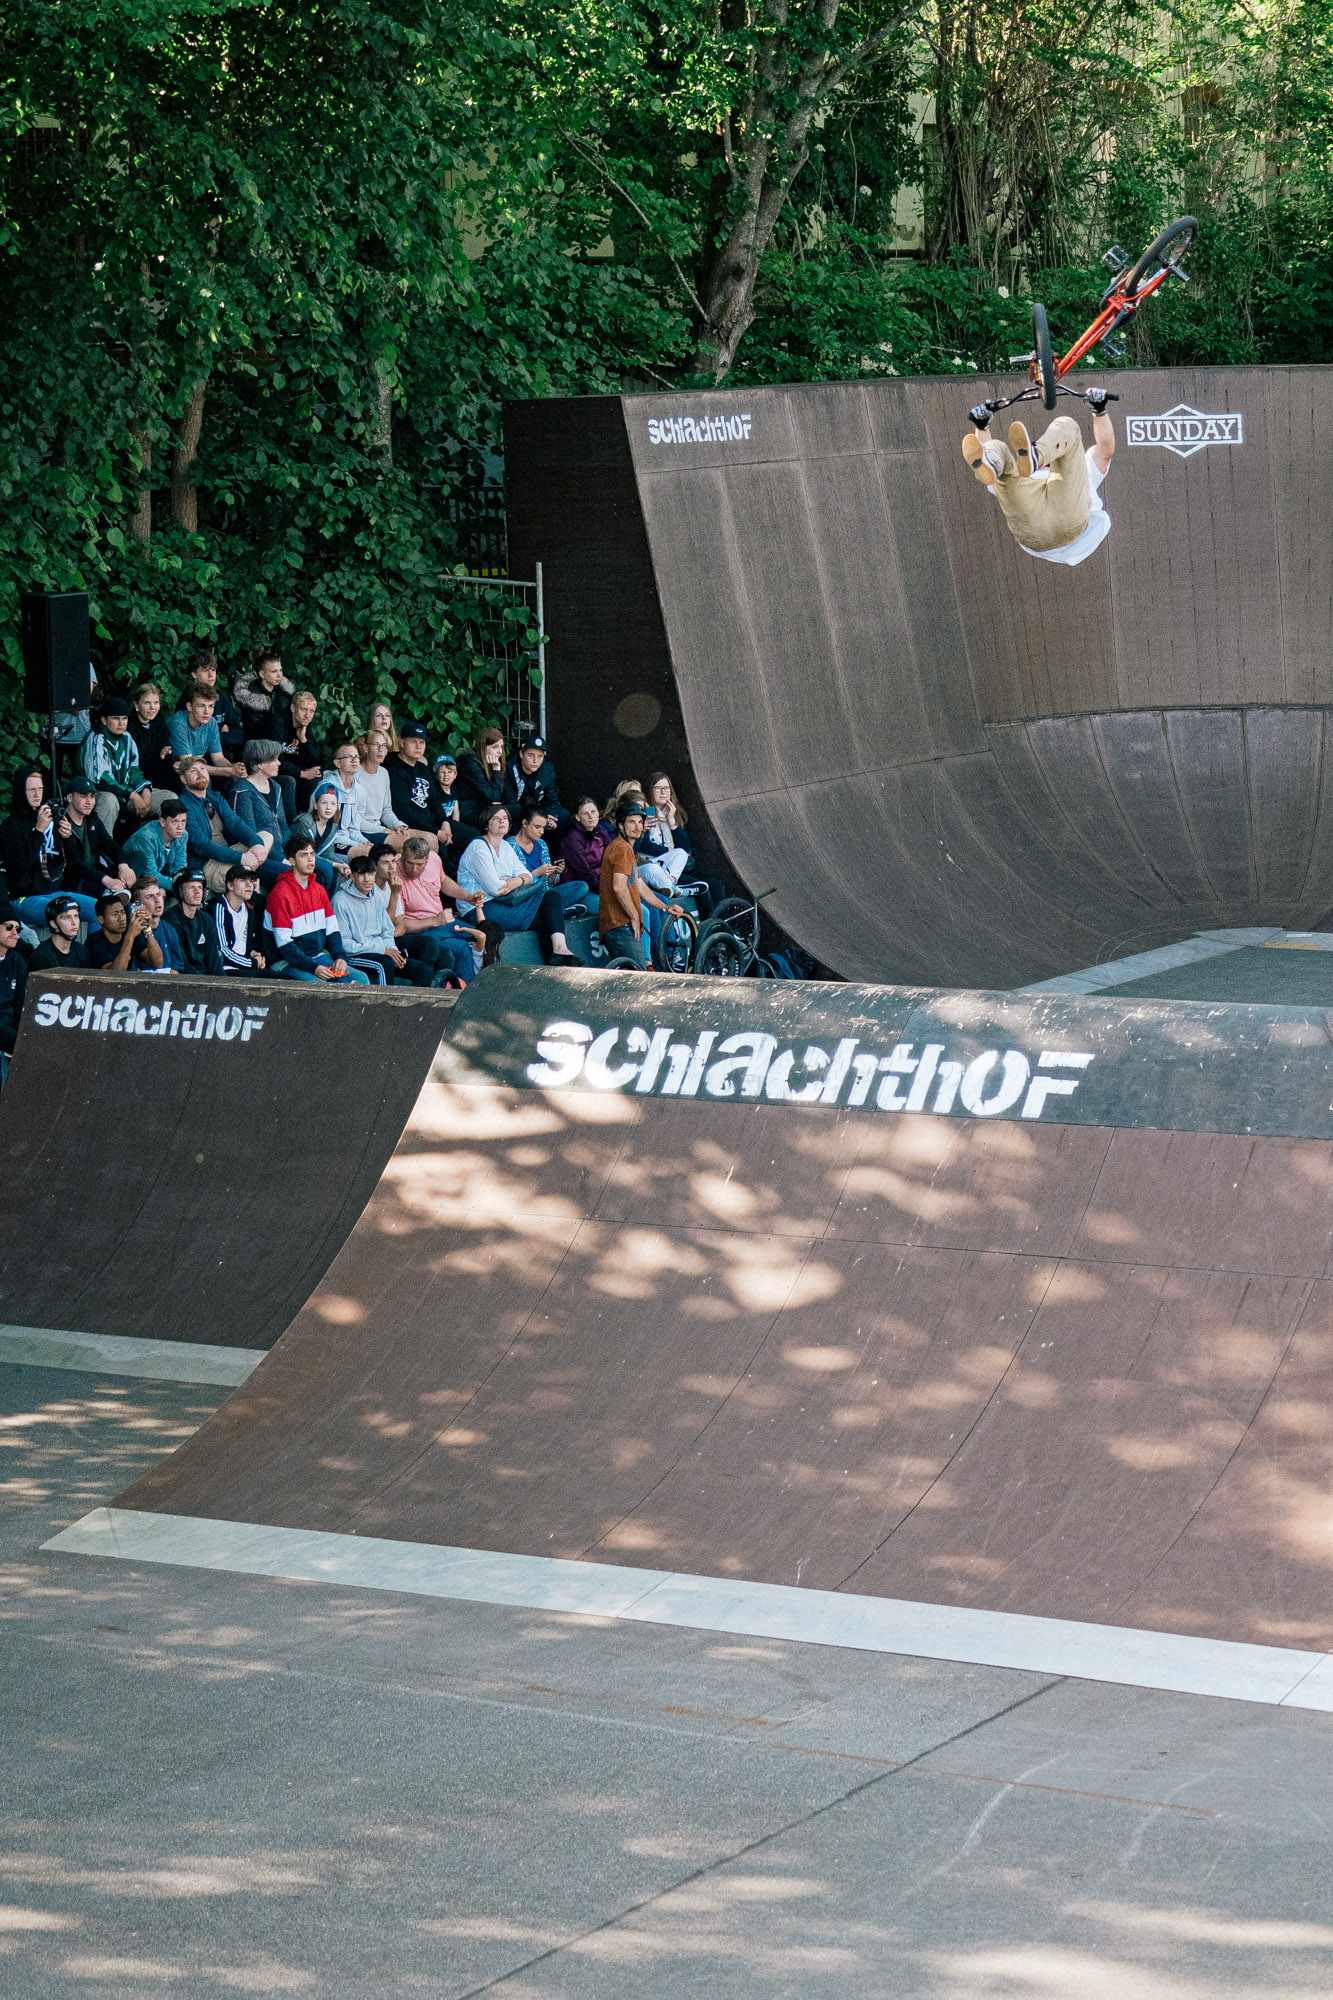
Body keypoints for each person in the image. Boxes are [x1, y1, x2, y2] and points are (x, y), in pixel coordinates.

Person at [963, 392, 1116, 566]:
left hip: (1037, 532)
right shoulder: (1021, 474)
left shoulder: (1080, 475)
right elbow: (1106, 451)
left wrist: (1100, 411)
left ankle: (1035, 455)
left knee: (1065, 426)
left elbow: (1105, 450)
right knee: (997, 452)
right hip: (1045, 525)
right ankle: (991, 462)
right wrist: (982, 426)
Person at [456, 802, 581, 966]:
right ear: (486, 823)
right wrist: (517, 881)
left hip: (507, 900)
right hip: (479, 908)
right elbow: (496, 888)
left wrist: (516, 880)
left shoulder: (505, 846)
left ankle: (559, 953)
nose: (502, 821)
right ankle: (558, 953)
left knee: (551, 899)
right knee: (548, 910)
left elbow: (528, 876)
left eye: (505, 818)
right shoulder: (478, 847)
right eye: (496, 818)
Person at [264, 832, 369, 984]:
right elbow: (285, 946)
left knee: (360, 979)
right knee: (319, 987)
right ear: (292, 861)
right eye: (303, 855)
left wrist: (339, 956)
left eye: (312, 854)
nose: (310, 859)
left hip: (317, 957)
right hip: (285, 962)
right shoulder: (280, 893)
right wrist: (313, 968)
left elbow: (332, 930)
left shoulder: (319, 890)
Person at [1, 768, 97, 926]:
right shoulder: (10, 827)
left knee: (99, 909)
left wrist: (67, 838)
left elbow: (72, 861)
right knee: (64, 915)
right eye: (31, 790)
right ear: (21, 791)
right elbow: (19, 866)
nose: (37, 795)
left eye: (40, 789)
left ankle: (88, 951)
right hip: (24, 898)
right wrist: (38, 831)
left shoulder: (51, 816)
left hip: (54, 892)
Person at [599, 798, 683, 969]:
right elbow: (619, 886)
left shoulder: (626, 848)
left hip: (620, 925)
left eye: (640, 822)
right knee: (639, 978)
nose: (637, 826)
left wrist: (664, 908)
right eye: (631, 822)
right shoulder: (621, 848)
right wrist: (635, 916)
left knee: (633, 977)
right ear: (621, 826)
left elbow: (639, 884)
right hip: (620, 925)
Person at [334, 851, 436, 986]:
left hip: (380, 950)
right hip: (354, 955)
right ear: (352, 876)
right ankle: (384, 1006)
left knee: (424, 971)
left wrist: (393, 951)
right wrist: (383, 951)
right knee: (385, 963)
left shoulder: (376, 896)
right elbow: (345, 944)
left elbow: (387, 931)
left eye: (370, 874)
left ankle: (415, 1006)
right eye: (361, 874)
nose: (367, 879)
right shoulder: (340, 901)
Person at [396, 835, 487, 983]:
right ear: (403, 857)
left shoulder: (434, 859)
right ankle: (461, 996)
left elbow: (443, 881)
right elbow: (401, 925)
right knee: (462, 948)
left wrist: (466, 896)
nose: (414, 869)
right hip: (422, 928)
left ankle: (483, 987)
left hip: (443, 921)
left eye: (419, 864)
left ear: (427, 859)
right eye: (409, 863)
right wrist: (434, 920)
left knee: (485, 935)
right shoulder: (395, 875)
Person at [176, 755, 275, 891]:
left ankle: (248, 869)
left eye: (203, 769)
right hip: (208, 864)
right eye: (193, 771)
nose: (200, 773)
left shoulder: (215, 798)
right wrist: (240, 857)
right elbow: (202, 845)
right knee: (247, 875)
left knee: (265, 836)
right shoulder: (183, 806)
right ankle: (252, 889)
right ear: (183, 779)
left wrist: (255, 842)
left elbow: (235, 824)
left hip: (229, 854)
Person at [57, 775, 137, 901]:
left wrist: (123, 865)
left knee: (138, 858)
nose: (89, 802)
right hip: (78, 881)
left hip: (97, 873)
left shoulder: (91, 819)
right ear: (70, 797)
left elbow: (109, 843)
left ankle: (117, 892)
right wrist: (106, 880)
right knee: (107, 885)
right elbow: (74, 864)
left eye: (92, 796)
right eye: (83, 796)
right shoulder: (62, 823)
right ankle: (116, 894)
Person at [81, 696, 153, 835]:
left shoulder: (127, 737)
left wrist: (145, 790)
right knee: (109, 800)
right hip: (98, 794)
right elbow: (100, 780)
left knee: (169, 798)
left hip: (127, 793)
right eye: (115, 718)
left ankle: (162, 851)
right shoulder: (96, 738)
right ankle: (103, 853)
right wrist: (131, 795)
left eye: (124, 718)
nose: (121, 723)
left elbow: (134, 771)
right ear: (104, 720)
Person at [386, 720, 454, 854]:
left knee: (469, 835)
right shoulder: (394, 769)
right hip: (413, 826)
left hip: (432, 823)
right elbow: (403, 812)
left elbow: (435, 801)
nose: (418, 746)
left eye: (422, 742)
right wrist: (436, 831)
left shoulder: (422, 769)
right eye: (413, 741)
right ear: (401, 743)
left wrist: (445, 823)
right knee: (442, 851)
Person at [511, 805, 586, 917]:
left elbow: (547, 883)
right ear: (525, 823)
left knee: (581, 887)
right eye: (537, 827)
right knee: (548, 899)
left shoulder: (541, 844)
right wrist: (537, 873)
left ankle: (554, 910)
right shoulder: (510, 846)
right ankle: (560, 912)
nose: (541, 832)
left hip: (546, 894)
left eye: (543, 827)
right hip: (525, 896)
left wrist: (555, 871)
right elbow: (513, 887)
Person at [168, 687, 245, 787]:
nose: (207, 712)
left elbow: (218, 758)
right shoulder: (178, 723)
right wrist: (229, 771)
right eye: (201, 706)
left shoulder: (211, 722)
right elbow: (190, 765)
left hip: (194, 770)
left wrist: (234, 768)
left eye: (211, 706)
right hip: (172, 772)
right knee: (205, 782)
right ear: (189, 706)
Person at [230, 738, 291, 860]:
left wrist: (293, 853)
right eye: (274, 759)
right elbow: (249, 836)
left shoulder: (276, 786)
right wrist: (281, 859)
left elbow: (283, 825)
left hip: (284, 852)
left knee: (323, 868)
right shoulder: (242, 791)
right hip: (260, 856)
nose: (279, 763)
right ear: (260, 764)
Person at [177, 649, 244, 758]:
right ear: (194, 674)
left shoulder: (221, 699)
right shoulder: (187, 701)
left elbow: (239, 735)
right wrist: (220, 732)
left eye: (213, 670)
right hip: (196, 761)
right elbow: (190, 739)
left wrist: (215, 736)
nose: (211, 675)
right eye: (205, 671)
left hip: (221, 759)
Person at [322, 744, 377, 866]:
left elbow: (354, 829)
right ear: (337, 763)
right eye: (348, 757)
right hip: (328, 842)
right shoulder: (327, 788)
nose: (354, 760)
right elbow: (323, 830)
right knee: (368, 855)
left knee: (379, 852)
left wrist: (364, 842)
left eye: (357, 757)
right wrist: (357, 845)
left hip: (347, 839)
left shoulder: (360, 791)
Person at [505, 733, 567, 839]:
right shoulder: (509, 768)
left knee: (563, 816)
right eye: (531, 755)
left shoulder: (546, 770)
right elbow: (509, 801)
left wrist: (550, 816)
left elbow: (552, 799)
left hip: (539, 810)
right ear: (521, 754)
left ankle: (552, 855)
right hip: (518, 811)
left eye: (540, 756)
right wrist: (537, 816)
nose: (535, 761)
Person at [159, 867, 220, 974]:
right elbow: (181, 963)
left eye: (200, 887)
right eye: (191, 887)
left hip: (207, 978)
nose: (197, 892)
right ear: (180, 891)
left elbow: (214, 960)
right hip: (186, 979)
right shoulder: (170, 920)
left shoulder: (207, 919)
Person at [455, 726, 510, 843]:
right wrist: (496, 770)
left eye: (501, 747)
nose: (500, 751)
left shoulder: (488, 761)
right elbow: (493, 796)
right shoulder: (471, 764)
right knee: (506, 815)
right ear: (483, 748)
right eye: (495, 747)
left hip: (483, 808)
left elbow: (501, 794)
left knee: (514, 811)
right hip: (469, 812)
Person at [280, 689, 330, 814]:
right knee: (289, 781)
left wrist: (303, 739)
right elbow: (275, 761)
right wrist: (302, 773)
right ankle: (293, 825)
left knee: (320, 777)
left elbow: (315, 762)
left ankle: (312, 821)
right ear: (293, 708)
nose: (308, 715)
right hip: (276, 771)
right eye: (303, 710)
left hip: (296, 771)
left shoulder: (305, 725)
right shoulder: (278, 724)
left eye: (311, 711)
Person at [355, 729, 407, 850]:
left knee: (423, 840)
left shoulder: (383, 773)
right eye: (376, 745)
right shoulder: (354, 773)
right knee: (402, 843)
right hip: (359, 831)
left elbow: (386, 810)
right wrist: (383, 830)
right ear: (366, 748)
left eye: (384, 746)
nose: (381, 749)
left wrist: (397, 825)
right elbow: (354, 820)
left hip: (379, 828)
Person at [86, 891, 163, 972]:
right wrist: (130, 936)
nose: (121, 918)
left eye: (123, 912)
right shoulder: (94, 941)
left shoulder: (129, 934)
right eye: (115, 914)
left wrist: (147, 929)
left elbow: (157, 964)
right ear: (101, 919)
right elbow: (115, 973)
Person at [292, 780, 353, 883]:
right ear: (315, 805)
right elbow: (305, 853)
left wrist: (342, 864)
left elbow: (328, 852)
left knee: (339, 870)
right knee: (327, 869)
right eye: (324, 803)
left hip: (314, 858)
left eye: (333, 803)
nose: (328, 807)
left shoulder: (332, 826)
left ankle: (328, 899)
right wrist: (334, 864)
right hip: (296, 857)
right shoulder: (305, 823)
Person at [212, 865, 267, 974]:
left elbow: (243, 943)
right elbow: (223, 951)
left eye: (251, 881)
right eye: (242, 880)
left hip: (245, 966)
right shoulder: (219, 907)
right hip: (227, 969)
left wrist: (252, 953)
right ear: (230, 885)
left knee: (284, 980)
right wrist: (253, 963)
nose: (249, 885)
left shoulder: (249, 907)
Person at [128, 681, 180, 796]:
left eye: (156, 702)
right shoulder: (129, 726)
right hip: (138, 775)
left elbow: (165, 749)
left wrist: (166, 755)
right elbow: (138, 760)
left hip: (158, 771)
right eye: (147, 703)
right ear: (136, 705)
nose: (152, 707)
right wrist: (159, 756)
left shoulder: (159, 723)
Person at [123, 796, 188, 887]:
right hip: (136, 879)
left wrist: (184, 881)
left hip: (162, 876)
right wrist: (179, 886)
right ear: (163, 822)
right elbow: (149, 874)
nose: (180, 827)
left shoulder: (183, 835)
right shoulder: (146, 838)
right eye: (175, 822)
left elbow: (180, 866)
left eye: (183, 821)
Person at [234, 648, 294, 742]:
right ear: (262, 674)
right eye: (274, 671)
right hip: (258, 744)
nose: (279, 675)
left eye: (280, 670)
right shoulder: (251, 696)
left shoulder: (284, 694)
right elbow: (255, 729)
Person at [560, 796, 613, 897]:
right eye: (585, 813)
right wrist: (607, 891)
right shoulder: (574, 838)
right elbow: (583, 873)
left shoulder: (601, 830)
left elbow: (613, 857)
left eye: (593, 811)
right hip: (580, 887)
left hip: (601, 880)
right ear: (577, 817)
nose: (591, 816)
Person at [0, 902, 28, 1084]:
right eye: (9, 927)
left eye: (17, 928)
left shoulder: (16, 960)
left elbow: (20, 1002)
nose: (15, 932)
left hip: (9, 1022)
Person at [27, 894, 91, 972]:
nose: (74, 922)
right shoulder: (42, 956)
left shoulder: (82, 951)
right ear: (53, 924)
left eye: (76, 916)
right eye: (67, 917)